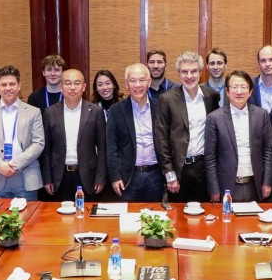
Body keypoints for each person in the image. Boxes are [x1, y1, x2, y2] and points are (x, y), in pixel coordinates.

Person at [154, 51, 220, 202]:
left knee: (204, 217)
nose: (189, 76)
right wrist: (170, 176)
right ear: (178, 73)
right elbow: (161, 140)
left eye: (193, 71)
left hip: (204, 169)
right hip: (179, 170)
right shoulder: (167, 99)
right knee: (178, 220)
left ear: (201, 72)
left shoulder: (211, 97)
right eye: (184, 71)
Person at [205, 70, 272, 202]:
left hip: (255, 185)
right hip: (227, 187)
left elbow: (268, 151)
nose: (239, 91)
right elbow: (210, 157)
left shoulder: (262, 115)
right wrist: (214, 188)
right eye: (234, 87)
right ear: (227, 91)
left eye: (243, 87)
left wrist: (267, 182)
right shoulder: (214, 118)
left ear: (250, 91)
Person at [0, 66, 44, 201]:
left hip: (25, 176)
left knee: (28, 220)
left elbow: (38, 143)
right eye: (3, 84)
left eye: (12, 84)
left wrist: (16, 164)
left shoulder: (33, 112)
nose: (8, 88)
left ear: (19, 86)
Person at [41, 69, 106, 201]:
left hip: (88, 175)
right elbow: (46, 150)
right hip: (60, 176)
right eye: (68, 83)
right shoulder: (50, 112)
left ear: (84, 87)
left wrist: (101, 177)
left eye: (77, 83)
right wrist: (47, 179)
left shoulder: (95, 111)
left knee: (86, 217)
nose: (72, 87)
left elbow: (102, 148)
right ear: (61, 87)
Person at [106, 63, 164, 202]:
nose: (138, 85)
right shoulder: (116, 110)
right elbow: (111, 147)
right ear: (127, 84)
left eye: (142, 80)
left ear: (149, 82)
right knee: (128, 220)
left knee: (154, 219)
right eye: (133, 81)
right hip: (128, 177)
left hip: (155, 175)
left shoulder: (160, 107)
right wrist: (115, 177)